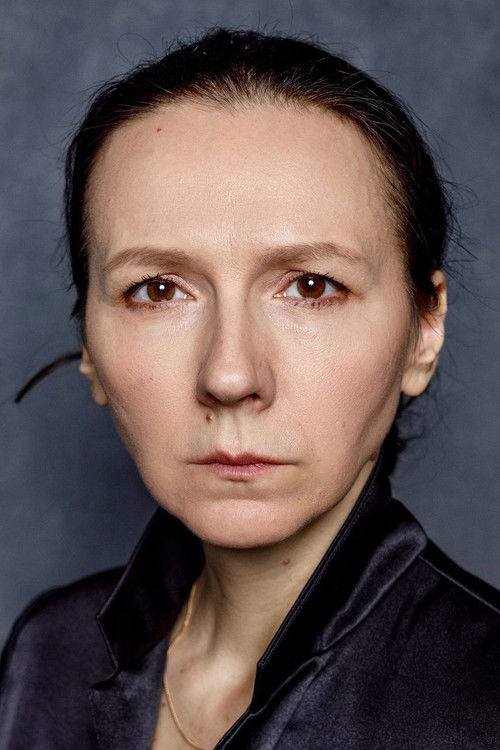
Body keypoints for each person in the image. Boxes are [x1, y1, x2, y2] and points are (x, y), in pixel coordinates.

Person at [0, 26, 498, 750]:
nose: (230, 376)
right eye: (158, 289)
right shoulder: (49, 657)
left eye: (311, 286)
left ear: (424, 330)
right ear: (89, 344)